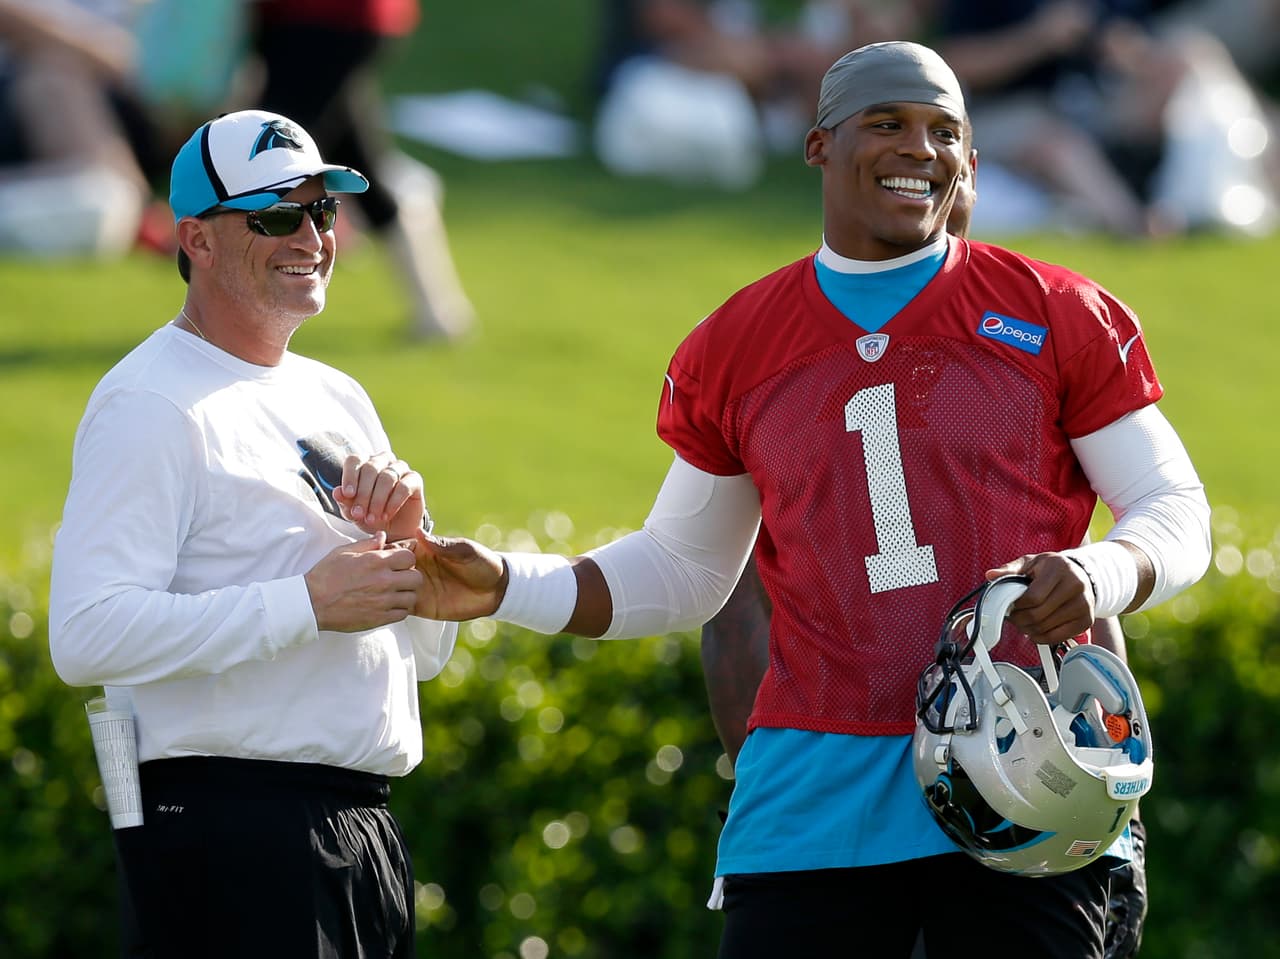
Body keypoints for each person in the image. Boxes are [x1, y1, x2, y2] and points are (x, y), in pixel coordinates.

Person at [407, 41, 1210, 957]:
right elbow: (682, 569)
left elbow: (1173, 506)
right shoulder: (739, 342)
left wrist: (1101, 569)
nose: (921, 150)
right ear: (818, 145)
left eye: (945, 132)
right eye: (888, 123)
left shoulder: (1057, 311)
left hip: (1023, 777)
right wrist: (508, 583)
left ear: (972, 160)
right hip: (808, 799)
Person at [48, 109, 457, 959]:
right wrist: (306, 602)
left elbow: (422, 656)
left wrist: (416, 551)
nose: (311, 235)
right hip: (229, 834)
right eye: (276, 214)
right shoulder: (149, 401)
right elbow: (85, 636)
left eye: (323, 211)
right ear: (195, 239)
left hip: (361, 826)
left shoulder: (337, 395)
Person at [250, 0, 475, 341]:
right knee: (359, 166)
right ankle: (437, 311)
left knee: (268, 166)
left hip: (321, 19)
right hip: (326, 19)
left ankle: (238, 316)